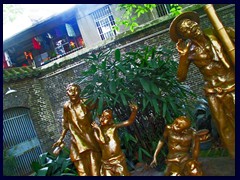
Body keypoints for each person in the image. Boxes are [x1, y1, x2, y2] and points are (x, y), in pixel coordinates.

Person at [169, 11, 235, 158]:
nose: (191, 28)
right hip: (212, 90)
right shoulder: (189, 51)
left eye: (190, 24)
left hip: (232, 83)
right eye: (186, 29)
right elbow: (180, 78)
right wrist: (183, 57)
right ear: (184, 36)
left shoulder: (217, 33)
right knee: (223, 125)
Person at [52, 83, 101, 176]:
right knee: (82, 172)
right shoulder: (66, 106)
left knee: (95, 170)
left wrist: (101, 125)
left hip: (89, 139)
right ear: (67, 93)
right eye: (70, 91)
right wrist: (61, 138)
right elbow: (66, 124)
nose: (73, 93)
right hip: (76, 142)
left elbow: (100, 105)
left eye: (76, 90)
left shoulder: (86, 102)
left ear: (80, 92)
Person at [91, 103, 138, 176]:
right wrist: (98, 130)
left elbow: (129, 121)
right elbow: (102, 141)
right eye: (102, 116)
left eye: (106, 117)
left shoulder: (113, 127)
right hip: (107, 163)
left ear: (110, 120)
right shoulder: (97, 131)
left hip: (118, 160)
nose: (103, 119)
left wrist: (134, 111)